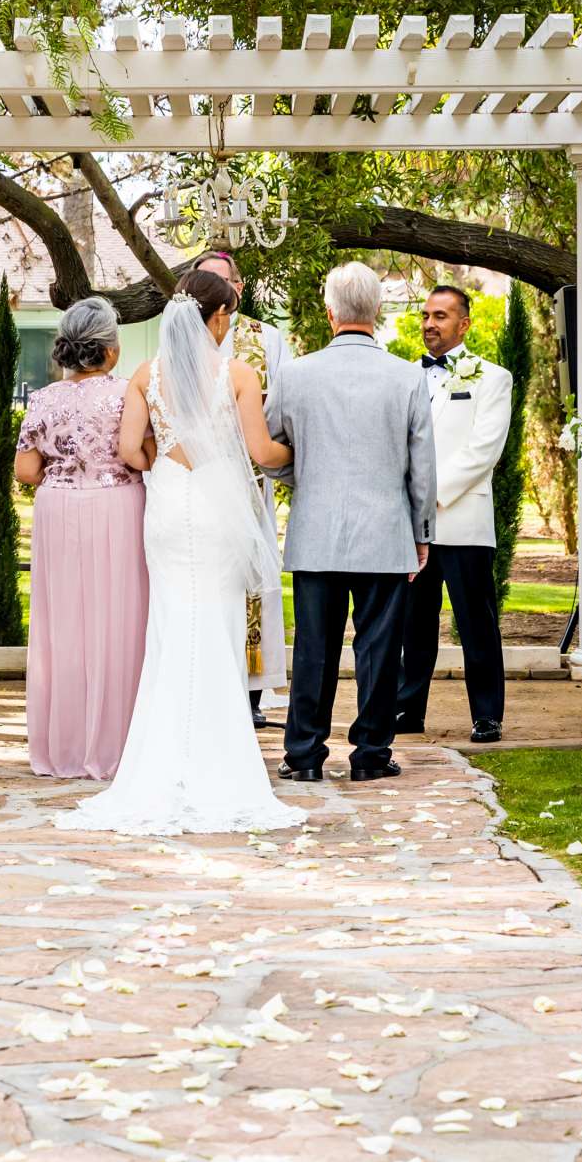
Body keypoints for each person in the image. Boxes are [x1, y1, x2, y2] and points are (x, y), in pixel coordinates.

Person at [57, 269, 301, 832]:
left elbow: (128, 450)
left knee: (170, 630)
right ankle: (220, 763)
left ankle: (161, 764)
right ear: (217, 319)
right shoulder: (238, 374)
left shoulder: (146, 374)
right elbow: (263, 453)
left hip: (167, 506)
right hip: (216, 505)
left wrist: (160, 464)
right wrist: (299, 447)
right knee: (217, 628)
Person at [267, 261, 438, 782]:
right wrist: (422, 532)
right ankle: (370, 754)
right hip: (386, 531)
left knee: (314, 649)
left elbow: (270, 450)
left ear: (329, 312)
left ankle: (304, 755)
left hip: (315, 528)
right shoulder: (408, 376)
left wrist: (307, 474)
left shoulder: (294, 374)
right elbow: (422, 465)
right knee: (380, 651)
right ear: (378, 312)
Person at [18, 297, 147, 778]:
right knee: (120, 620)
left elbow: (26, 470)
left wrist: (67, 470)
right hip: (117, 507)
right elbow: (142, 456)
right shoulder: (126, 395)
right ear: (110, 350)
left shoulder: (43, 399)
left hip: (59, 510)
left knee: (63, 626)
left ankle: (63, 748)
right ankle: (116, 743)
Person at [396, 283, 512, 743]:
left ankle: (487, 714)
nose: (429, 324)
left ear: (464, 324)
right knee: (413, 624)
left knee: (476, 624)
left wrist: (431, 495)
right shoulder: (403, 376)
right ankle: (408, 709)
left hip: (463, 521)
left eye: (440, 316)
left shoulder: (493, 378)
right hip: (409, 524)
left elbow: (484, 450)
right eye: (425, 315)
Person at [190, 249, 288, 728]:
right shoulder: (178, 346)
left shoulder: (266, 339)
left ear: (238, 290)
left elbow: (282, 406)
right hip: (195, 485)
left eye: (219, 283)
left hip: (250, 483)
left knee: (250, 583)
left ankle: (249, 695)